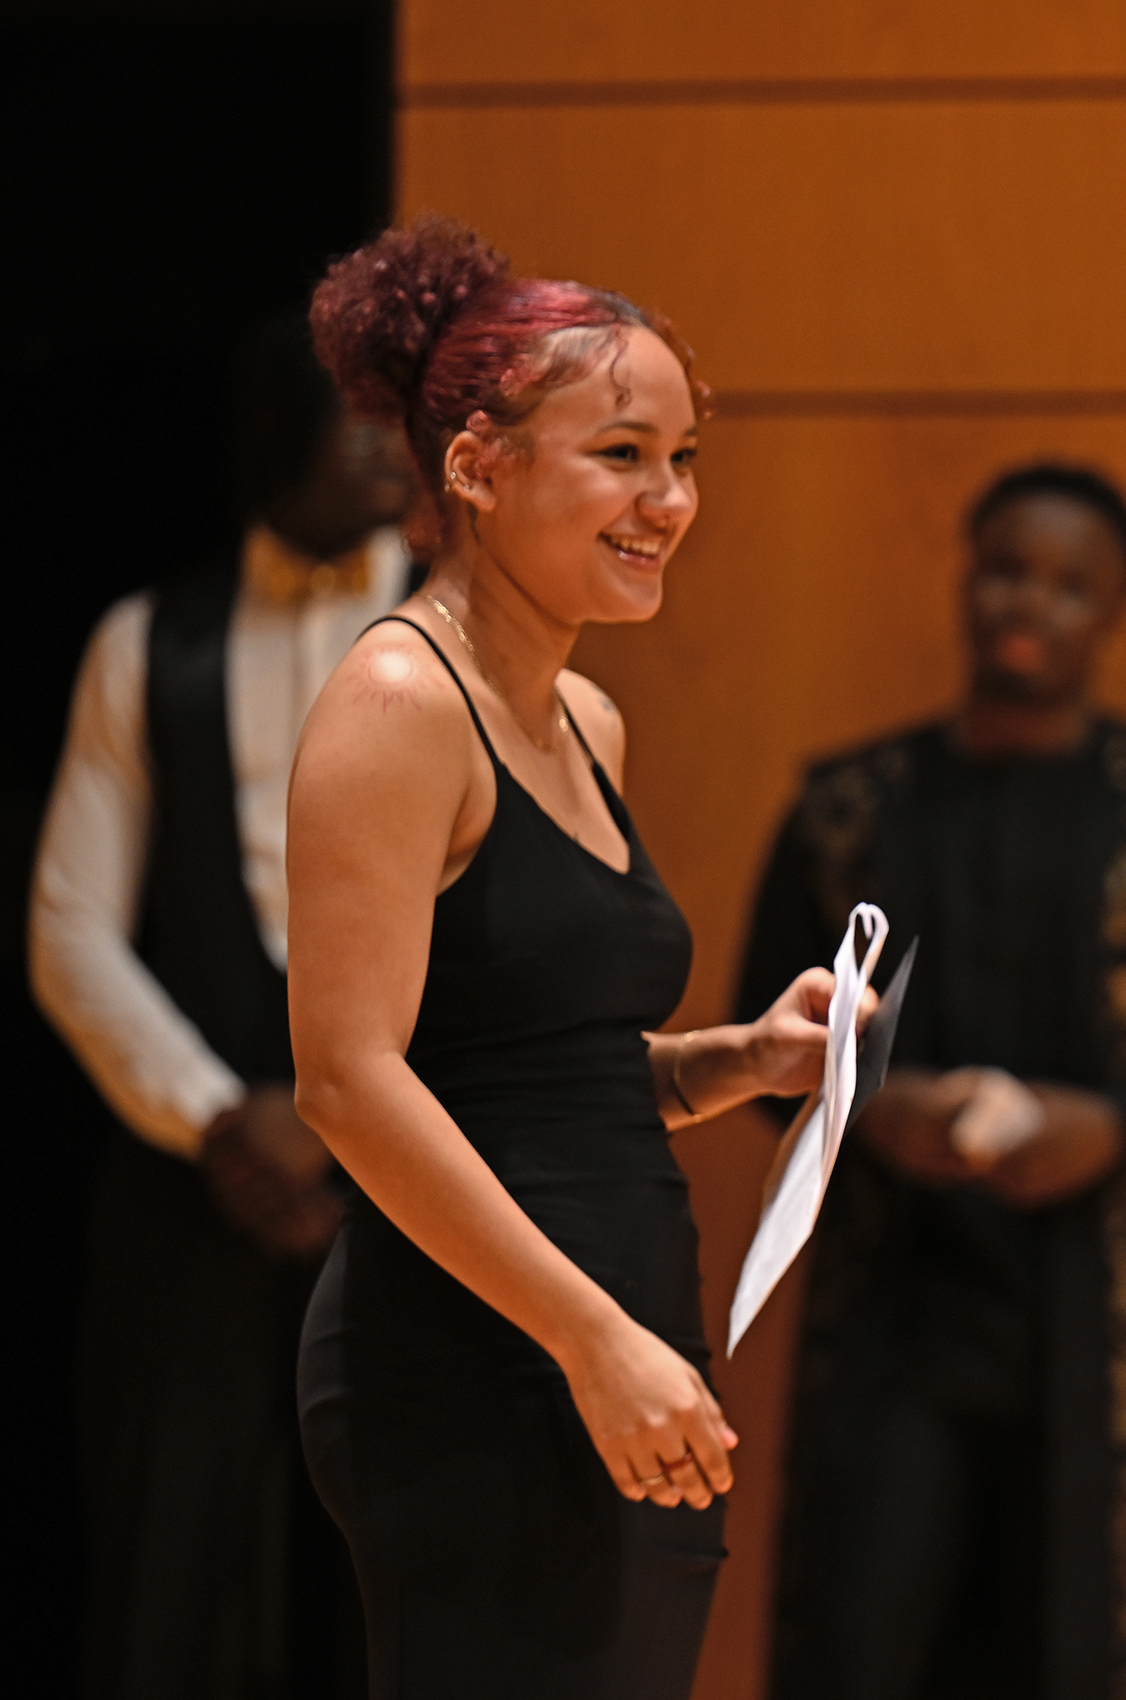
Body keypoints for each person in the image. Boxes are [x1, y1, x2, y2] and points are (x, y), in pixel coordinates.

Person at [284, 215, 853, 1700]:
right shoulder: (401, 700)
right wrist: (591, 1340)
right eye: (621, 455)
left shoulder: (588, 721)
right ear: (478, 467)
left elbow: (548, 1075)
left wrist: (751, 1058)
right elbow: (347, 1082)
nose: (668, 501)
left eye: (682, 458)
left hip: (618, 1345)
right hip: (483, 1359)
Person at [737, 463, 1126, 1700]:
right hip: (894, 1310)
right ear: (966, 569)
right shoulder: (848, 808)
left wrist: (1111, 1127)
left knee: (1096, 1645)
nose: (1028, 602)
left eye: (1069, 584)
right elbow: (760, 1052)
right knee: (861, 1642)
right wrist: (878, 1110)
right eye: (1006, 567)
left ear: (1115, 610)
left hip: (1113, 1318)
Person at [31, 312, 412, 1700]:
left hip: (412, 1194)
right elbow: (71, 927)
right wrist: (218, 1121)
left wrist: (344, 1114)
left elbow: (508, 925)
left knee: (383, 1588)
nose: (389, 440)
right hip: (186, 1186)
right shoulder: (150, 641)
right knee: (160, 1571)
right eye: (354, 410)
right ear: (273, 428)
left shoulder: (481, 633)